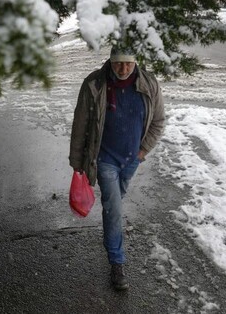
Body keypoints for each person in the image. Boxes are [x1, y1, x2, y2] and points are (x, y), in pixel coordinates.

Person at [69, 46, 165, 291]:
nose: (123, 69)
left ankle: (111, 234)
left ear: (136, 62)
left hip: (132, 159)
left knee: (114, 203)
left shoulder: (149, 84)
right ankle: (117, 262)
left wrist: (142, 152)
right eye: (118, 63)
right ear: (110, 61)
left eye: (128, 64)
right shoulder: (94, 84)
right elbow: (81, 123)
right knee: (113, 207)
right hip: (104, 159)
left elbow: (158, 121)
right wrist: (77, 161)